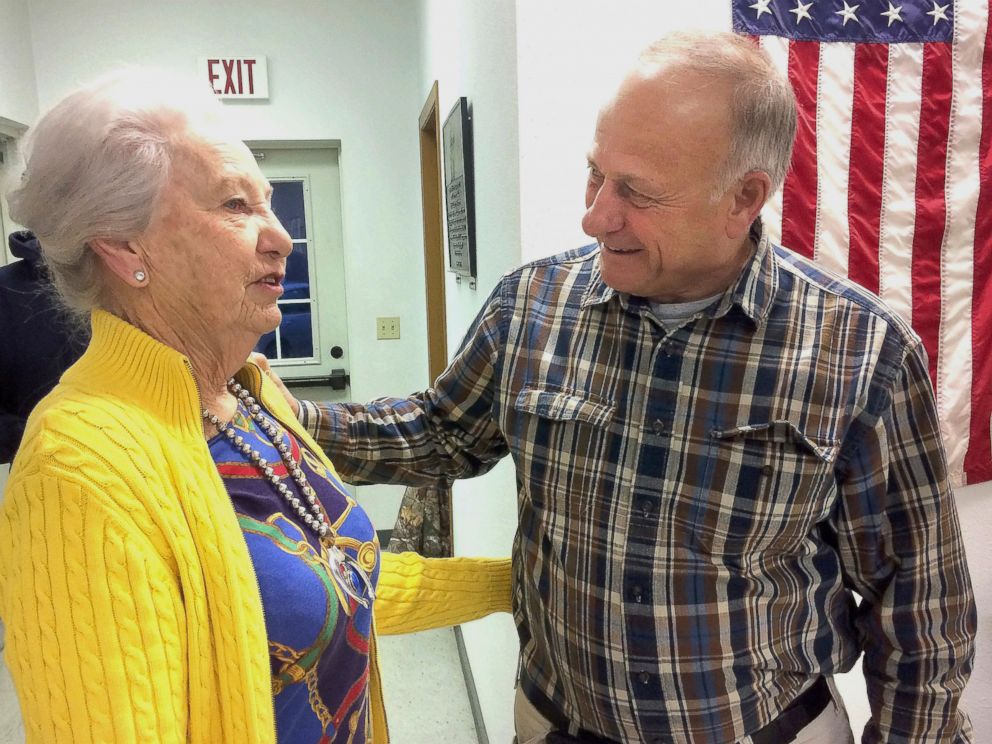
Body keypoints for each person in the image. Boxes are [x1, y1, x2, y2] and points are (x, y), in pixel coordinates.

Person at [273, 31, 977, 743]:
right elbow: (440, 431)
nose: (595, 215)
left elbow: (921, 611)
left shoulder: (863, 353)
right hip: (557, 724)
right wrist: (274, 416)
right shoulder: (533, 305)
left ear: (744, 198)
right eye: (594, 174)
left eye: (636, 192)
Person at [0, 70, 511, 744]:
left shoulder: (246, 393)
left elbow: (333, 585)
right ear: (125, 246)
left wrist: (513, 583)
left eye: (268, 202)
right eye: (236, 205)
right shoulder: (78, 469)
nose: (280, 236)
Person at [0, 229, 88, 463]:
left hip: (168, 476)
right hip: (48, 480)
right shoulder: (5, 290)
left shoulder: (151, 280)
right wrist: (44, 437)